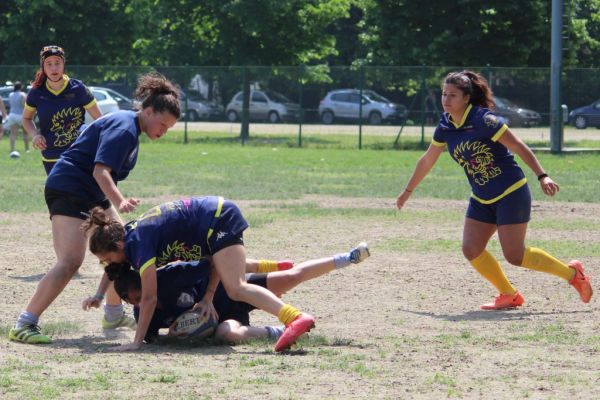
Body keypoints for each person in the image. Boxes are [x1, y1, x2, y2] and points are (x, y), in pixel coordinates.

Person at [396, 70, 592, 310]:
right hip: (481, 196)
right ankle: (508, 293)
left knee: (515, 255)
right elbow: (427, 159)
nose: (446, 100)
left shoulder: (484, 120)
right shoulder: (446, 125)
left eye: (453, 95)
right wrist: (408, 191)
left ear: (466, 98)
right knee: (471, 249)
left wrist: (542, 175)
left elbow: (518, 146)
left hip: (511, 191)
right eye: (444, 94)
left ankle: (573, 274)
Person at [8, 72, 181, 344]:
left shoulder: (131, 128)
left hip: (89, 192)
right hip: (69, 188)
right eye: (162, 124)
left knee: (124, 247)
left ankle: (112, 312)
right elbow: (101, 172)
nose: (163, 131)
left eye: (168, 128)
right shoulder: (125, 128)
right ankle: (24, 323)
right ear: (148, 111)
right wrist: (120, 200)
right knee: (70, 261)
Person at [82, 196, 370, 352]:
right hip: (212, 228)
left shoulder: (139, 244)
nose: (109, 264)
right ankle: (289, 318)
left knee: (236, 287)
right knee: (242, 285)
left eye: (107, 257)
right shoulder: (129, 236)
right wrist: (98, 294)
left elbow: (148, 297)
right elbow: (115, 270)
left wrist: (135, 343)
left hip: (217, 218)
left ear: (118, 245)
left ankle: (296, 318)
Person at [100, 244, 370, 345]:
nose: (141, 301)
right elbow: (156, 339)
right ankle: (280, 331)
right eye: (133, 301)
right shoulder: (143, 315)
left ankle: (347, 257)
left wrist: (207, 297)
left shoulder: (171, 276)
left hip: (234, 288)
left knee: (290, 277)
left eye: (141, 294)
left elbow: (217, 262)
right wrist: (175, 334)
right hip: (227, 316)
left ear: (146, 281)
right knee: (228, 334)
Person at [22, 45, 102, 174]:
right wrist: (35, 135)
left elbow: (100, 119)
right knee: (59, 193)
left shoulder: (78, 88)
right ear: (43, 67)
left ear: (64, 64)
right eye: (49, 64)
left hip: (78, 152)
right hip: (51, 155)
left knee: (80, 192)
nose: (54, 68)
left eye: (57, 63)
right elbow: (26, 118)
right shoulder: (36, 92)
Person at [4, 81, 30, 155]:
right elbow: (24, 105)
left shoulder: (10, 94)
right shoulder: (23, 94)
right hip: (21, 115)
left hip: (12, 115)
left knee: (13, 133)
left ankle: (12, 149)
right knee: (25, 133)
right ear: (21, 87)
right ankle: (27, 149)